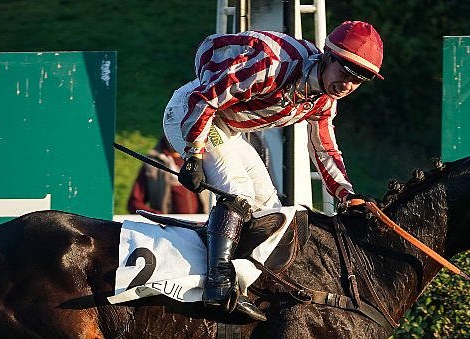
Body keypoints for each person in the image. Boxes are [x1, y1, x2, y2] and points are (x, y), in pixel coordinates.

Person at [162, 21, 383, 321]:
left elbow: (324, 150)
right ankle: (218, 286)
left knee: (270, 207)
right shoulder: (273, 65)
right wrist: (193, 154)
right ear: (328, 56)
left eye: (357, 81)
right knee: (238, 191)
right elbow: (204, 99)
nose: (347, 86)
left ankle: (250, 285)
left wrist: (346, 194)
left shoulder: (324, 102)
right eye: (345, 73)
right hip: (190, 114)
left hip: (226, 128)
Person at [126, 136, 208, 215]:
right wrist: (157, 216)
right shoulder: (152, 164)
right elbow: (134, 203)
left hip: (200, 221)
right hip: (167, 223)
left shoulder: (201, 159)